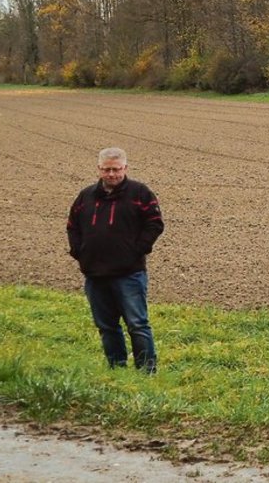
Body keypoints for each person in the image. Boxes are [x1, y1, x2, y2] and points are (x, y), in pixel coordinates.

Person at [66, 147, 164, 372]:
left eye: (116, 169)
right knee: (106, 326)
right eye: (107, 169)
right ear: (99, 169)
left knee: (138, 325)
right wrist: (78, 252)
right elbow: (72, 225)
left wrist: (137, 250)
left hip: (129, 274)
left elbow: (155, 223)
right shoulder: (85, 196)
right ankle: (117, 369)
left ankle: (146, 372)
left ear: (125, 168)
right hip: (95, 274)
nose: (112, 174)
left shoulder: (140, 193)